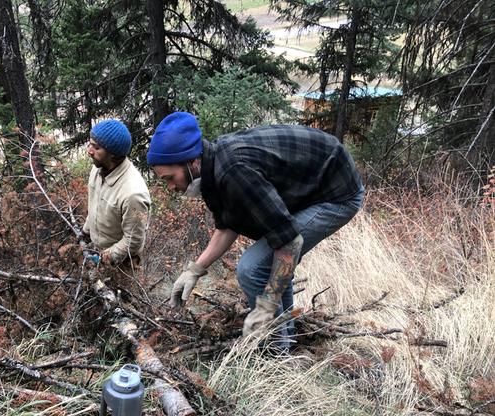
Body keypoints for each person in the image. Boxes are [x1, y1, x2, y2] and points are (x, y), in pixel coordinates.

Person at [147, 112, 365, 342]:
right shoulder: (209, 172)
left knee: (252, 269)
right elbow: (226, 227)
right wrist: (194, 270)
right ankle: (285, 340)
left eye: (170, 178)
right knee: (269, 263)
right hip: (308, 189)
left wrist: (265, 308)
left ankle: (274, 352)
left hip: (335, 192)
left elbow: (289, 242)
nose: (170, 187)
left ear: (192, 161)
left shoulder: (234, 172)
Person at [83, 119, 151, 267]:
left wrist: (105, 258)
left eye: (96, 147)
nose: (89, 150)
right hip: (97, 251)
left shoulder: (134, 195)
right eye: (90, 143)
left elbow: (134, 240)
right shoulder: (98, 168)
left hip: (123, 265)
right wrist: (85, 232)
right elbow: (95, 205)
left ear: (113, 155)